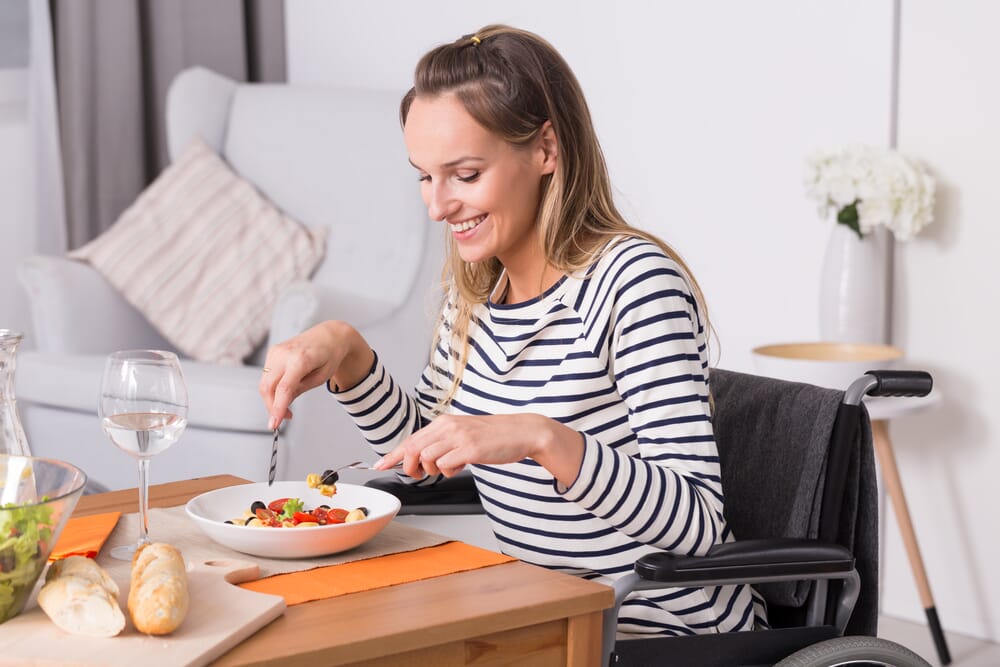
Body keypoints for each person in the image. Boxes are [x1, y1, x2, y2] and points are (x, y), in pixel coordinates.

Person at [260, 24, 763, 637]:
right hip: (552, 616)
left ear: (546, 149)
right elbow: (431, 446)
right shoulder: (474, 294)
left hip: (661, 631)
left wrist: (540, 438)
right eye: (424, 175)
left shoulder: (633, 283)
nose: (437, 207)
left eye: (464, 175)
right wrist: (347, 352)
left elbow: (697, 522)